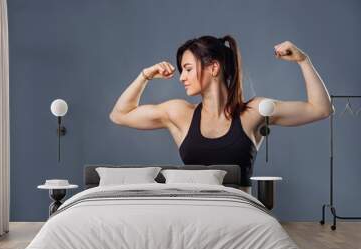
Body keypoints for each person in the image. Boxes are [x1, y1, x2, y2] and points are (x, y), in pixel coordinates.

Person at [109, 35, 333, 194]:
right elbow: (120, 114)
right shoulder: (180, 113)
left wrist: (303, 60)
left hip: (239, 218)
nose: (182, 77)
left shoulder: (254, 112)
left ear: (213, 68)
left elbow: (320, 109)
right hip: (195, 217)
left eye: (187, 68)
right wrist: (145, 76)